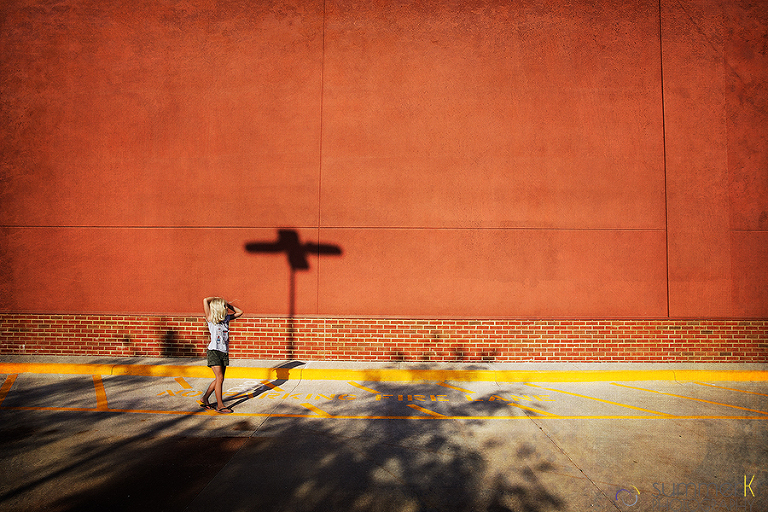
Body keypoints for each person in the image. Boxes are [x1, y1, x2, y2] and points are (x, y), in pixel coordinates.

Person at [200, 296, 243, 413]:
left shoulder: (226, 319)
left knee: (219, 379)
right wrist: (216, 298)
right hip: (214, 351)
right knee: (219, 378)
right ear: (218, 307)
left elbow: (240, 312)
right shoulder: (211, 319)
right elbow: (205, 300)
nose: (226, 308)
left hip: (224, 352)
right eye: (224, 306)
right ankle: (220, 405)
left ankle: (205, 398)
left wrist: (228, 304)